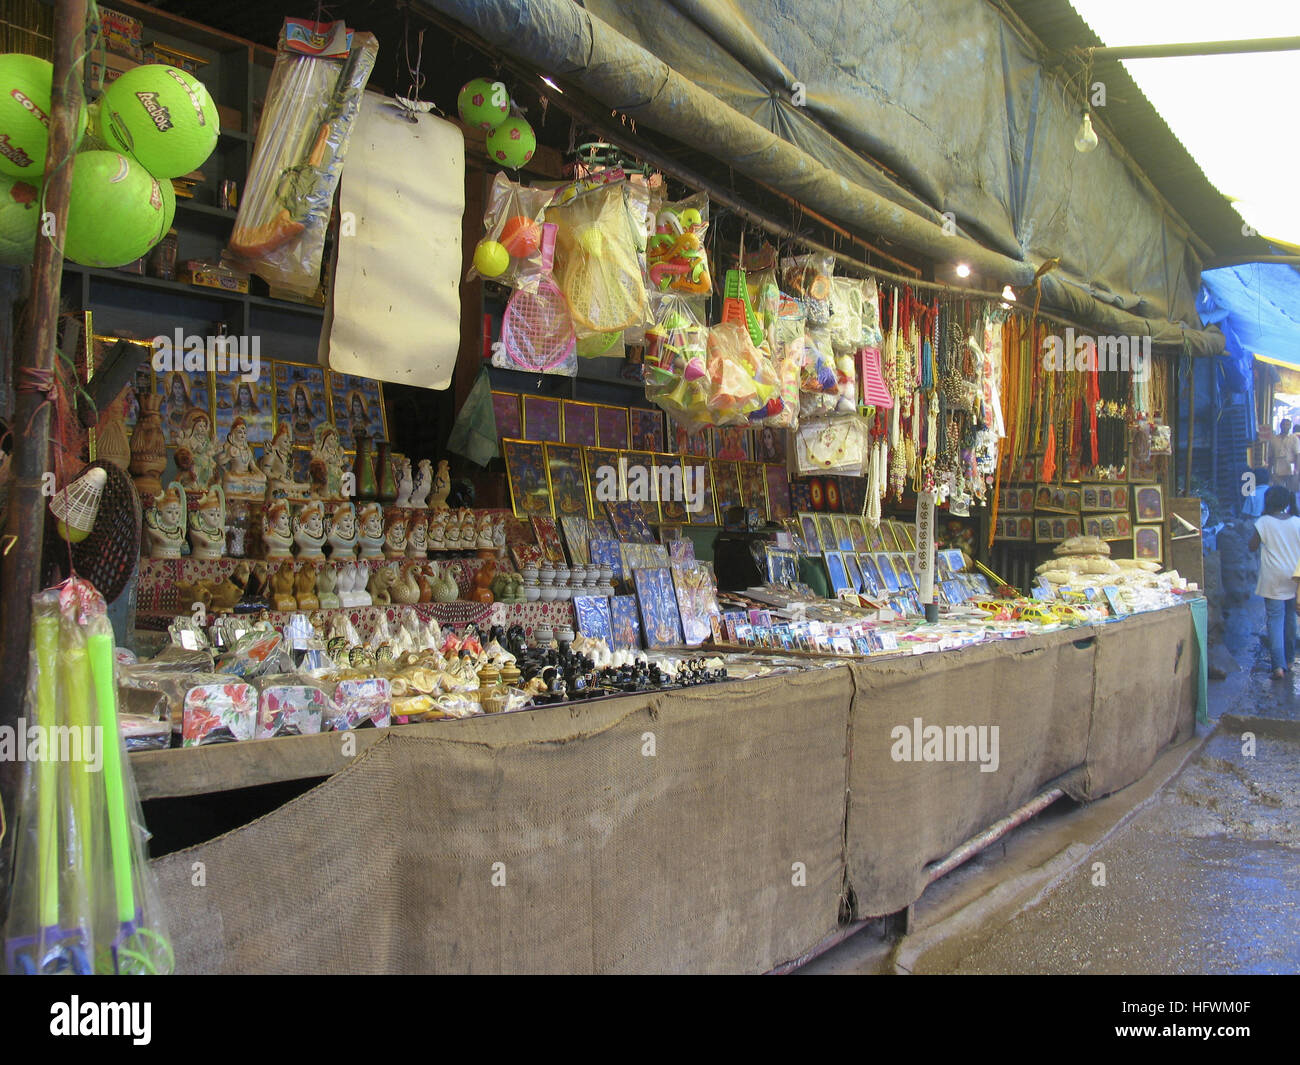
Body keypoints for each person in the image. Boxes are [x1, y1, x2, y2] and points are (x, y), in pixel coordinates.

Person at [1249, 485, 1300, 679]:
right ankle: (1289, 660)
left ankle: (1278, 666)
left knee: (1275, 620)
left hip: (1272, 579)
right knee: (1290, 619)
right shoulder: (1297, 522)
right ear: (1287, 502)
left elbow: (1252, 546)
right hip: (1293, 577)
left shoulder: (1263, 522)